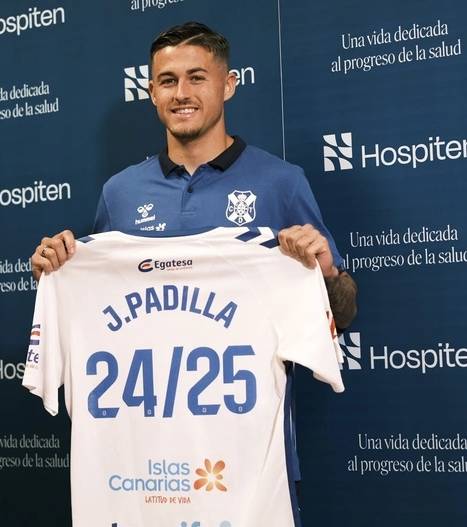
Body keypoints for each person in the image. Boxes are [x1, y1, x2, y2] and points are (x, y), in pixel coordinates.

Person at [31, 21, 356, 329]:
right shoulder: (119, 192)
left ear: (228, 85)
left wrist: (326, 274)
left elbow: (342, 317)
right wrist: (57, 274)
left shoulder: (282, 182)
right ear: (153, 92)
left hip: (251, 387)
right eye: (168, 80)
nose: (181, 93)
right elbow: (94, 310)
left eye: (197, 78)